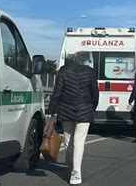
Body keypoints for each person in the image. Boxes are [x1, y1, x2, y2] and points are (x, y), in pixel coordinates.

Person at [48, 52, 99, 185]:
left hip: (66, 109)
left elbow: (57, 93)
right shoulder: (90, 72)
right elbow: (95, 94)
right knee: (79, 141)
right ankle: (76, 173)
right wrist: (91, 108)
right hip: (85, 109)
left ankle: (70, 166)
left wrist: (51, 111)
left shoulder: (64, 71)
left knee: (68, 139)